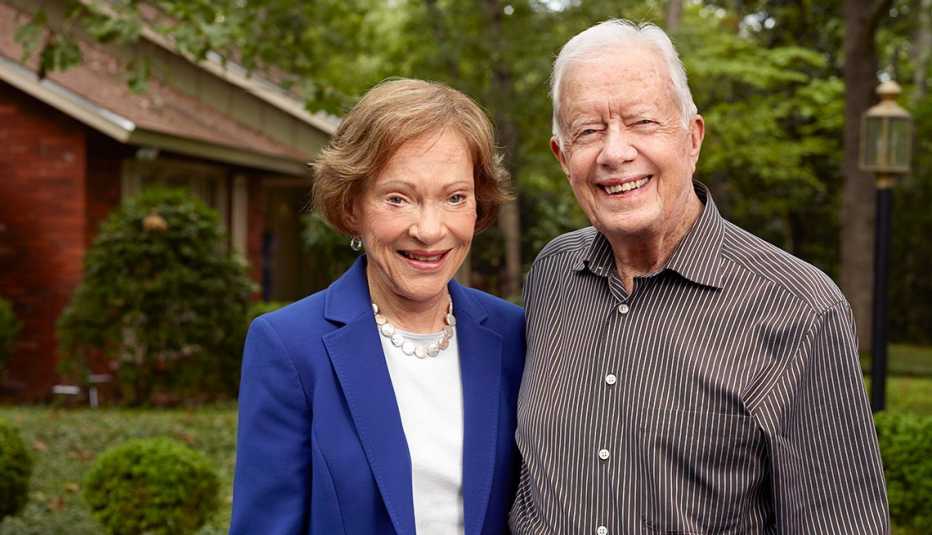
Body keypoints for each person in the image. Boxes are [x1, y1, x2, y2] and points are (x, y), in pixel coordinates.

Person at [510, 19, 889, 534]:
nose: (614, 152)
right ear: (563, 157)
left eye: (642, 122)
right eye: (588, 131)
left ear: (692, 138)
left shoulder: (800, 308)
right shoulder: (553, 275)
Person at [230, 78, 525, 535]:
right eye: (398, 198)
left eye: (454, 197)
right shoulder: (289, 347)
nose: (429, 230)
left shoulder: (513, 335)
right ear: (352, 207)